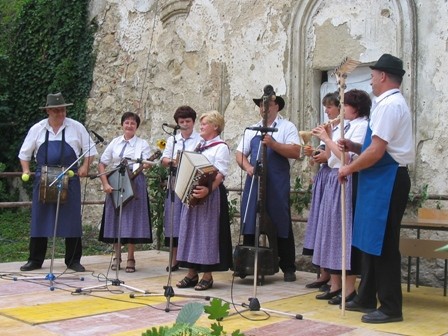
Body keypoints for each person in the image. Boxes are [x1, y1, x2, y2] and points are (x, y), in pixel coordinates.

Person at [338, 54, 414, 323]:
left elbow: (378, 151)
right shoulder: (385, 104)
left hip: (388, 179)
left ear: (383, 76)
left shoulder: (390, 105)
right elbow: (375, 148)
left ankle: (391, 306)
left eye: (372, 76)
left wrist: (348, 168)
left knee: (383, 244)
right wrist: (355, 148)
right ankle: (367, 296)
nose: (370, 80)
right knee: (369, 240)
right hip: (379, 177)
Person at [18, 92, 97, 272]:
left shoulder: (76, 127)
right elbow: (24, 154)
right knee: (40, 218)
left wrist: (85, 166)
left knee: (72, 219)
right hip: (44, 177)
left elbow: (90, 149)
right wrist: (25, 170)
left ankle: (73, 260)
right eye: (56, 111)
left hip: (69, 178)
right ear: (48, 111)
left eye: (62, 110)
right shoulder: (37, 129)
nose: (60, 114)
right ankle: (35, 259)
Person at [311, 89, 370, 305]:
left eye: (345, 105)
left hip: (348, 179)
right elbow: (331, 155)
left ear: (356, 107)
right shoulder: (345, 125)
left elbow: (347, 157)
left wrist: (327, 137)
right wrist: (324, 139)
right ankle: (335, 285)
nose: (341, 109)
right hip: (335, 178)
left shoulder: (361, 126)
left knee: (343, 234)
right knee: (331, 232)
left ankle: (348, 289)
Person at [236, 88, 301, 282]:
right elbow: (240, 154)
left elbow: (296, 151)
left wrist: (274, 145)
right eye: (261, 105)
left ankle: (288, 266)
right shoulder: (252, 128)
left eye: (268, 104)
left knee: (280, 220)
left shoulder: (287, 127)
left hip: (277, 182)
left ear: (276, 106)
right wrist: (247, 167)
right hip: (255, 181)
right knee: (250, 219)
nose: (264, 108)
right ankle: (246, 265)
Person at [176, 110, 232, 291]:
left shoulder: (221, 147)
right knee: (190, 231)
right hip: (193, 195)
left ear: (215, 126)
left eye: (205, 123)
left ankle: (207, 275)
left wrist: (208, 190)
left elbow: (220, 174)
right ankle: (192, 273)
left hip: (210, 195)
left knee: (207, 234)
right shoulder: (200, 144)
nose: (201, 126)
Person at [98, 112, 153, 273]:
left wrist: (147, 164)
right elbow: (102, 163)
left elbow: (147, 161)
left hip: (135, 182)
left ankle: (131, 257)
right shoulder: (115, 142)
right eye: (127, 122)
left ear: (137, 127)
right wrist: (105, 183)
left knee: (132, 220)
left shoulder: (142, 144)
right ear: (122, 124)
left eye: (133, 123)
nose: (129, 126)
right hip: (116, 181)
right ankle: (117, 256)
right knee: (117, 219)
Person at [302, 92, 340, 291]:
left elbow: (331, 156)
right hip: (324, 178)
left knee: (328, 225)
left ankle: (330, 276)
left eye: (330, 107)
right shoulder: (329, 129)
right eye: (326, 107)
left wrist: (320, 155)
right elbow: (322, 156)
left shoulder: (339, 129)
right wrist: (313, 154)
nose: (326, 110)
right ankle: (324, 272)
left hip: (333, 177)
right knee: (320, 224)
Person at [161, 106, 201, 272]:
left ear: (193, 122)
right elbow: (164, 158)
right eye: (181, 122)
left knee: (190, 219)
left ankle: (191, 259)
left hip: (192, 180)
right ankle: (174, 258)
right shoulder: (173, 139)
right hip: (175, 179)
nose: (185, 124)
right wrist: (173, 161)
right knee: (174, 219)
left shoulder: (199, 139)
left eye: (188, 121)